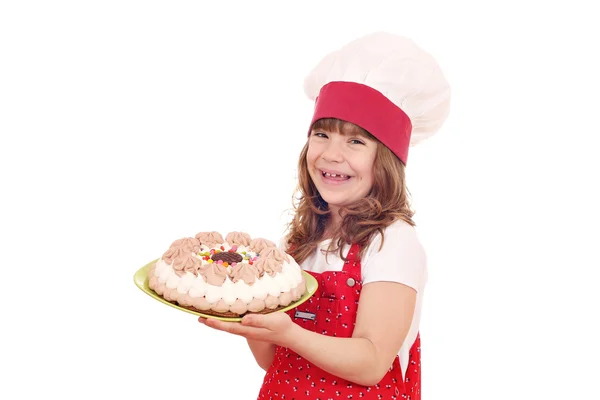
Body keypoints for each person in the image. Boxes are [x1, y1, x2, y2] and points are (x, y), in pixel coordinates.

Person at [198, 31, 451, 399]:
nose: (332, 154)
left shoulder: (392, 242)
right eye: (322, 134)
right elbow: (276, 362)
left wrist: (289, 333)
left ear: (387, 161)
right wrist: (247, 312)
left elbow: (372, 362)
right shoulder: (299, 242)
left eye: (355, 141)